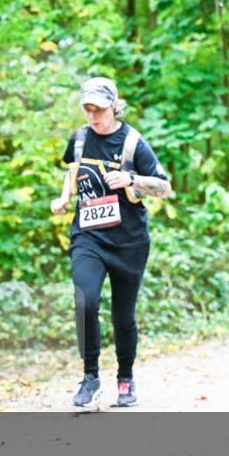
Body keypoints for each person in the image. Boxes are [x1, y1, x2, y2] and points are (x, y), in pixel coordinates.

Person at [50, 77, 172, 408]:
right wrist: (64, 198)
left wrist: (130, 178)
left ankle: (125, 378)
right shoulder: (79, 140)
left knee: (123, 314)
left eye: (99, 110)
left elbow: (165, 187)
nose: (93, 116)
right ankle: (90, 377)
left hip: (129, 242)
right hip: (88, 236)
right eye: (88, 109)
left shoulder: (133, 143)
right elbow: (72, 171)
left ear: (114, 107)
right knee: (85, 299)